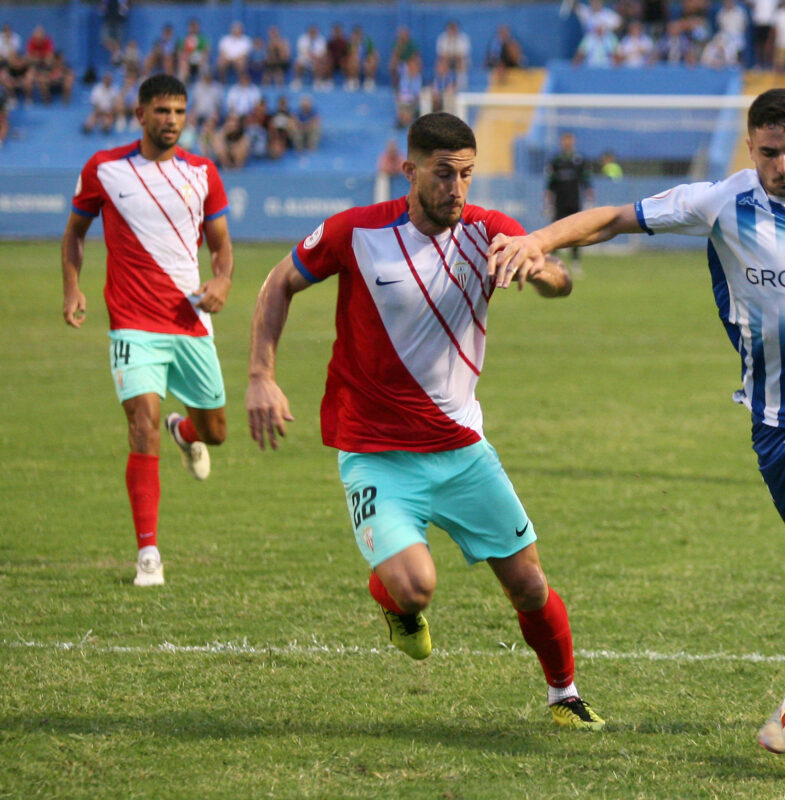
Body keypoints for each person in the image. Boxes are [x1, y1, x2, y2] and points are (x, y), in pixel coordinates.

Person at [489, 88, 785, 747]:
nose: (783, 165)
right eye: (769, 152)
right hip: (776, 424)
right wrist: (534, 239)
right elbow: (614, 218)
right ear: (751, 148)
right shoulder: (723, 203)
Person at [244, 111, 604, 731]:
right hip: (376, 452)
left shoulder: (491, 231)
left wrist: (540, 266)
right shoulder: (355, 233)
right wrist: (259, 375)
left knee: (529, 586)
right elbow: (280, 282)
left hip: (463, 450)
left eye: (466, 174)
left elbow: (561, 280)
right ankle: (398, 608)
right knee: (415, 586)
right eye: (443, 175)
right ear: (409, 171)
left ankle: (564, 695)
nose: (457, 189)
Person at [61, 73, 233, 587]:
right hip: (132, 325)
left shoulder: (203, 172)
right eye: (161, 111)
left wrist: (222, 279)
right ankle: (148, 555)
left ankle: (186, 432)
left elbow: (222, 244)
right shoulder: (104, 169)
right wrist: (72, 288)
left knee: (217, 433)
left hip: (191, 323)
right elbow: (74, 234)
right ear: (139, 115)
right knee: (141, 426)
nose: (172, 121)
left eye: (179, 112)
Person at [545, 131, 593, 276]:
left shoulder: (579, 159)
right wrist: (548, 199)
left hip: (574, 200)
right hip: (560, 201)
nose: (567, 143)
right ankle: (553, 262)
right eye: (565, 140)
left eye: (570, 140)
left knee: (577, 231)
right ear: (561, 142)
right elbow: (550, 183)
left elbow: (585, 180)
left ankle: (575, 263)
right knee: (555, 231)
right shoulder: (556, 161)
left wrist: (589, 192)